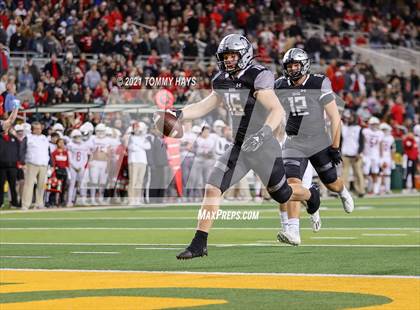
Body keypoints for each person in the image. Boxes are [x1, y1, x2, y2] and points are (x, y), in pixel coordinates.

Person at [160, 34, 320, 260]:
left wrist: (263, 134)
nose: (229, 61)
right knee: (213, 188)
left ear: (244, 55)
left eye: (233, 56)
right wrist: (180, 113)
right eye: (226, 57)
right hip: (239, 147)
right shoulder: (221, 79)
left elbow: (276, 110)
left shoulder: (258, 76)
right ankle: (199, 243)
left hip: (264, 146)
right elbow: (207, 104)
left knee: (282, 194)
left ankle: (311, 193)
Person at [275, 48, 354, 246]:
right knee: (291, 183)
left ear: (304, 65)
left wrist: (335, 146)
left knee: (331, 183)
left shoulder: (319, 82)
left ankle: (343, 192)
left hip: (318, 140)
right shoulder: (280, 85)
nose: (292, 69)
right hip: (294, 141)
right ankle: (293, 230)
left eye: (296, 65)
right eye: (289, 65)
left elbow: (335, 117)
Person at [21, 121, 50, 210]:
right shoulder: (28, 138)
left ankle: (39, 203)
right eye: (36, 129)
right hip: (31, 163)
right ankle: (26, 204)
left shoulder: (44, 138)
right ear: (32, 129)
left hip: (43, 164)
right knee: (29, 185)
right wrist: (22, 162)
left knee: (41, 185)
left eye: (39, 129)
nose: (38, 130)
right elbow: (22, 150)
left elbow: (48, 151)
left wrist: (50, 164)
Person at [341, 110, 365, 197]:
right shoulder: (343, 128)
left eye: (350, 117)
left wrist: (359, 152)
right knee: (344, 174)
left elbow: (362, 142)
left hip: (356, 154)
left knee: (358, 173)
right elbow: (341, 141)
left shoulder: (359, 128)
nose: (348, 119)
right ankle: (344, 191)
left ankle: (360, 190)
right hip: (345, 154)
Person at [127, 122, 151, 205]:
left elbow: (148, 146)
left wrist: (138, 145)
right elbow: (132, 147)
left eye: (138, 128)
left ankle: (137, 199)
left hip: (143, 161)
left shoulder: (143, 137)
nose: (137, 130)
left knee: (140, 181)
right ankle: (131, 199)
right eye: (136, 128)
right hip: (134, 161)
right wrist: (141, 145)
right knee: (133, 180)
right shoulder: (131, 137)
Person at [66, 129, 91, 207]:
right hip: (73, 166)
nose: (78, 138)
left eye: (79, 136)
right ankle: (69, 201)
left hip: (81, 166)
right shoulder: (70, 144)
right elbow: (69, 157)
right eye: (76, 136)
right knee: (72, 183)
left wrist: (81, 166)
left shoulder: (84, 145)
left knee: (82, 183)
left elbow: (85, 157)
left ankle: (83, 200)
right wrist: (75, 166)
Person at [362, 117, 384, 194]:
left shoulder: (380, 133)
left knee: (375, 172)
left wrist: (381, 157)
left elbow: (381, 145)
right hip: (367, 154)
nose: (374, 126)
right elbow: (362, 143)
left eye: (376, 124)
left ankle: (375, 189)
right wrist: (362, 154)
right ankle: (364, 188)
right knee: (365, 172)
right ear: (369, 124)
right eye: (373, 124)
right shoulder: (365, 131)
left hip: (376, 155)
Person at [49, 138, 69, 207]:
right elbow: (53, 164)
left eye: (63, 143)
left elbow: (67, 163)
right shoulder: (54, 153)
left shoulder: (65, 152)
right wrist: (53, 174)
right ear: (57, 143)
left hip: (64, 171)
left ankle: (61, 201)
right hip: (57, 171)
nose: (61, 144)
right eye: (60, 142)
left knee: (63, 188)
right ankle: (52, 201)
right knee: (54, 187)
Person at [379, 123, 395, 194]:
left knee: (387, 173)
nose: (384, 131)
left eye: (385, 130)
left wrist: (393, 159)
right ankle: (380, 188)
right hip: (380, 156)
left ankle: (387, 188)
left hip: (388, 157)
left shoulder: (391, 138)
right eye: (383, 130)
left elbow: (393, 149)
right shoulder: (378, 136)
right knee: (381, 173)